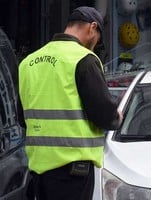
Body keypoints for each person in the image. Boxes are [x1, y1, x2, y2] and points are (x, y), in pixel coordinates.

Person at [18, 6, 123, 200]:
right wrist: (116, 117)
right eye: (98, 37)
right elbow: (104, 114)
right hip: (73, 172)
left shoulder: (28, 62)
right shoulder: (84, 59)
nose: (96, 44)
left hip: (39, 171)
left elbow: (22, 118)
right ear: (92, 27)